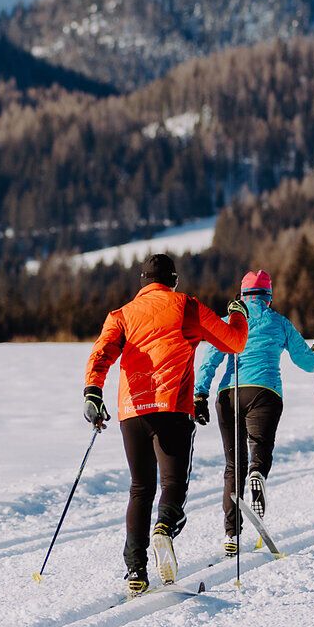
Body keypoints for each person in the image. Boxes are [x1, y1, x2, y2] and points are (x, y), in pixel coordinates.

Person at [85, 252, 248, 595]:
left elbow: (101, 352)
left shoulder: (123, 314)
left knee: (140, 488)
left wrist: (92, 392)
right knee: (172, 483)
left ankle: (135, 570)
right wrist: (238, 314)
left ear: (142, 282)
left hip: (133, 411)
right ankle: (164, 527)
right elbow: (234, 342)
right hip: (172, 406)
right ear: (173, 281)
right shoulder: (185, 306)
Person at [196, 270, 314, 554]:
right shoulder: (279, 323)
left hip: (229, 394)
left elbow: (210, 359)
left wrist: (200, 393)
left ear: (242, 296)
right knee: (261, 449)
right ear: (268, 296)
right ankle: (258, 473)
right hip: (265, 393)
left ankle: (231, 535)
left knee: (233, 465)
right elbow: (306, 362)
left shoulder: (230, 321)